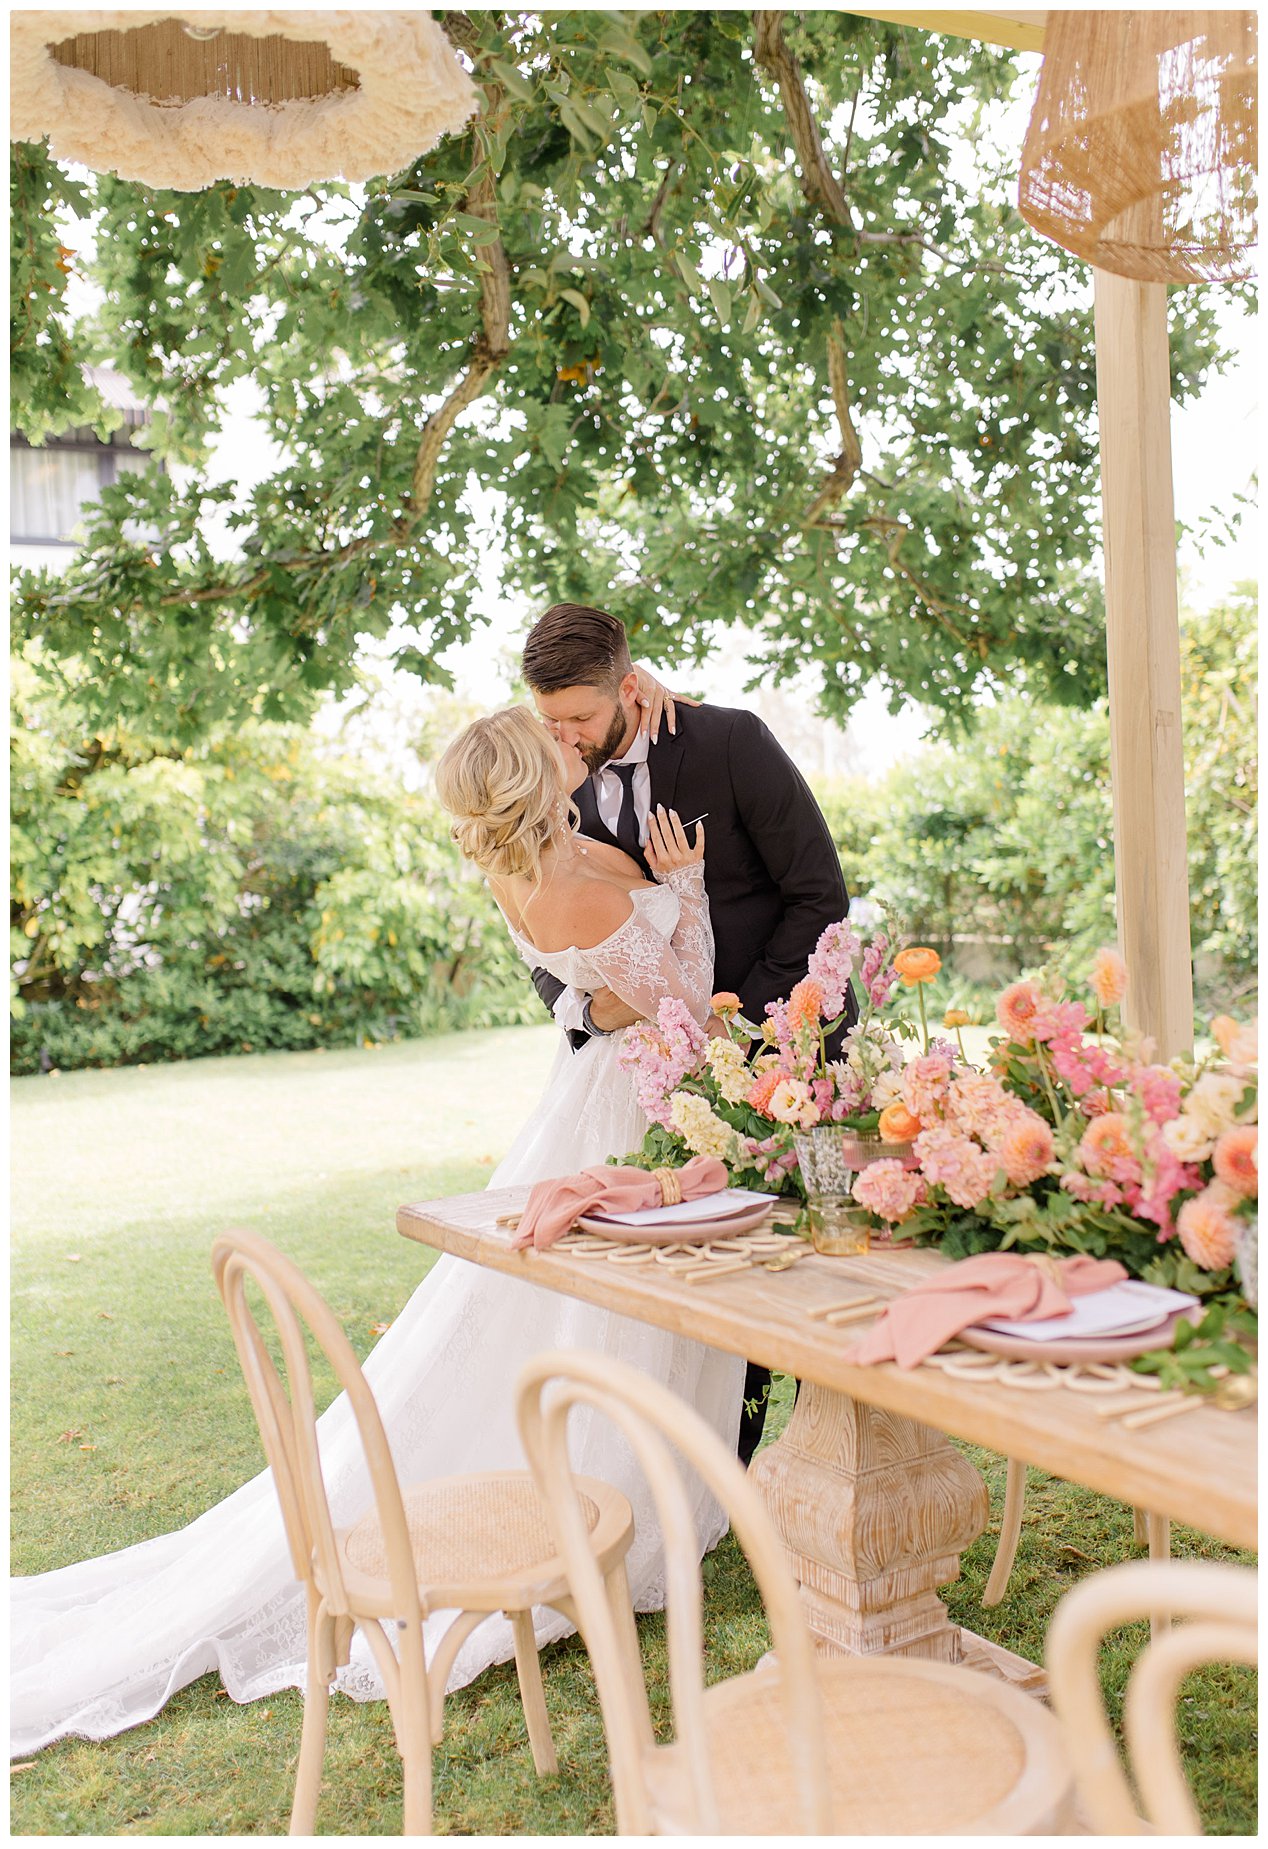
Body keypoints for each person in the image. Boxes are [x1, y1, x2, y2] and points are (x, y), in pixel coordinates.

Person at [10, 708, 744, 1759]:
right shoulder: (577, 883)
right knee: (604, 1303)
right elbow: (682, 1007)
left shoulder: (524, 860)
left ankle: (587, 1486)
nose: (567, 749)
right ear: (537, 782)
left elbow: (598, 970)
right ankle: (596, 1503)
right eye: (553, 749)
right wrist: (685, 891)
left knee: (535, 1307)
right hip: (622, 1102)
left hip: (579, 1088)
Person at [522, 603, 855, 1458]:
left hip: (788, 1037)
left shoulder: (729, 742)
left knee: (812, 1257)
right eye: (548, 720)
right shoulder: (545, 774)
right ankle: (723, 1466)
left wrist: (740, 1027)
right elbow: (544, 929)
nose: (565, 737)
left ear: (629, 688)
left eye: (581, 719)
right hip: (651, 1068)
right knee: (705, 1263)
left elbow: (817, 893)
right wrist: (583, 1009)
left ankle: (837, 1452)